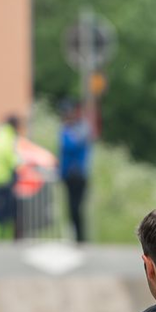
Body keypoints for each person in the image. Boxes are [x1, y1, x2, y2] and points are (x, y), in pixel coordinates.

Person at [58, 101, 92, 242]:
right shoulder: (66, 128)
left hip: (79, 174)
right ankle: (76, 236)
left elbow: (71, 144)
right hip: (68, 174)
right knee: (71, 208)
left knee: (76, 207)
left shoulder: (81, 127)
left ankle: (81, 237)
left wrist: (68, 130)